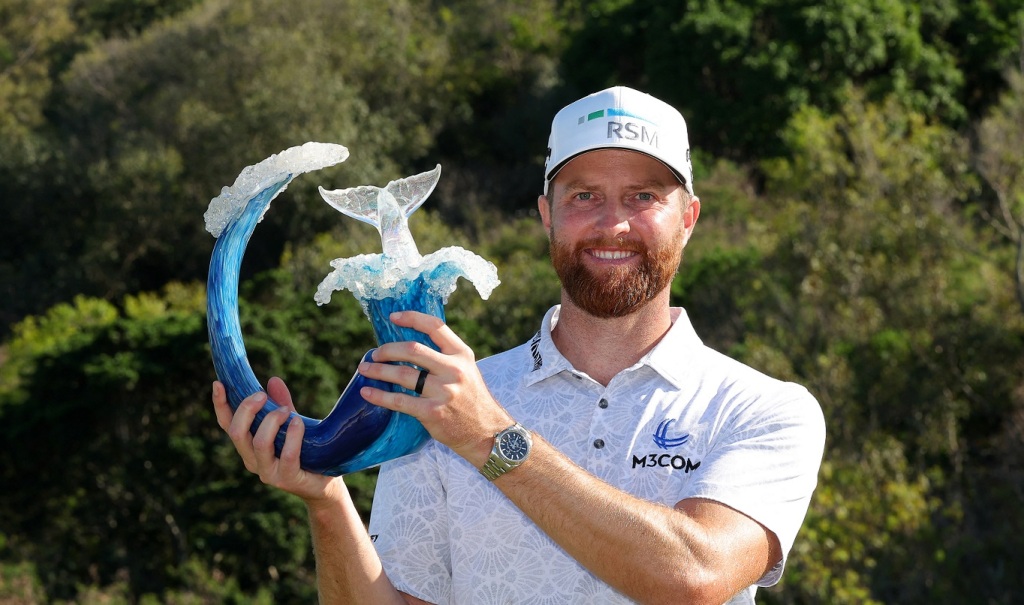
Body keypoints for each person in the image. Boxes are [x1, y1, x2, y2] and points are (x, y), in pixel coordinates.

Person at [213, 86, 826, 605]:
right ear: (546, 215)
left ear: (689, 217)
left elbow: (694, 575)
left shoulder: (763, 408)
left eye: (643, 196)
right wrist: (324, 498)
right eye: (583, 195)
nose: (613, 223)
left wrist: (488, 438)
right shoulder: (446, 398)